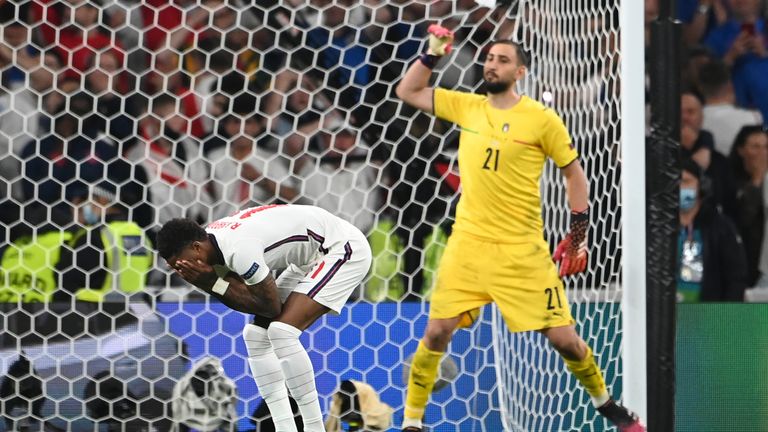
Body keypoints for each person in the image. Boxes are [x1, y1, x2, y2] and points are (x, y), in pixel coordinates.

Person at [394, 27, 644, 431]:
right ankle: (412, 422)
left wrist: (578, 236)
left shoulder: (542, 120)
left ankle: (607, 404)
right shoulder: (467, 106)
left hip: (521, 251)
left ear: (521, 71)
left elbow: (574, 175)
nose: (493, 65)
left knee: (565, 341)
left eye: (503, 60)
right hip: (469, 244)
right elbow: (408, 91)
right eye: (490, 58)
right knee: (437, 331)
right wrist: (433, 53)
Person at [156, 204, 373, 432]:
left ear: (196, 248)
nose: (183, 271)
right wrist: (212, 284)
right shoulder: (211, 248)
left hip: (342, 248)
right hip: (309, 256)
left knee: (282, 332)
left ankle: (314, 427)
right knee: (255, 336)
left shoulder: (239, 250)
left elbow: (269, 307)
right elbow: (241, 296)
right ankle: (284, 427)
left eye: (181, 264)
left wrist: (211, 283)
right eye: (176, 269)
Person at [677, 158, 748, 301]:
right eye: (674, 182)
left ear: (701, 186)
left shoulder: (721, 226)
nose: (679, 187)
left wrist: (725, 316)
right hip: (664, 315)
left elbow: (736, 278)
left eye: (686, 181)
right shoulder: (654, 225)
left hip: (709, 314)